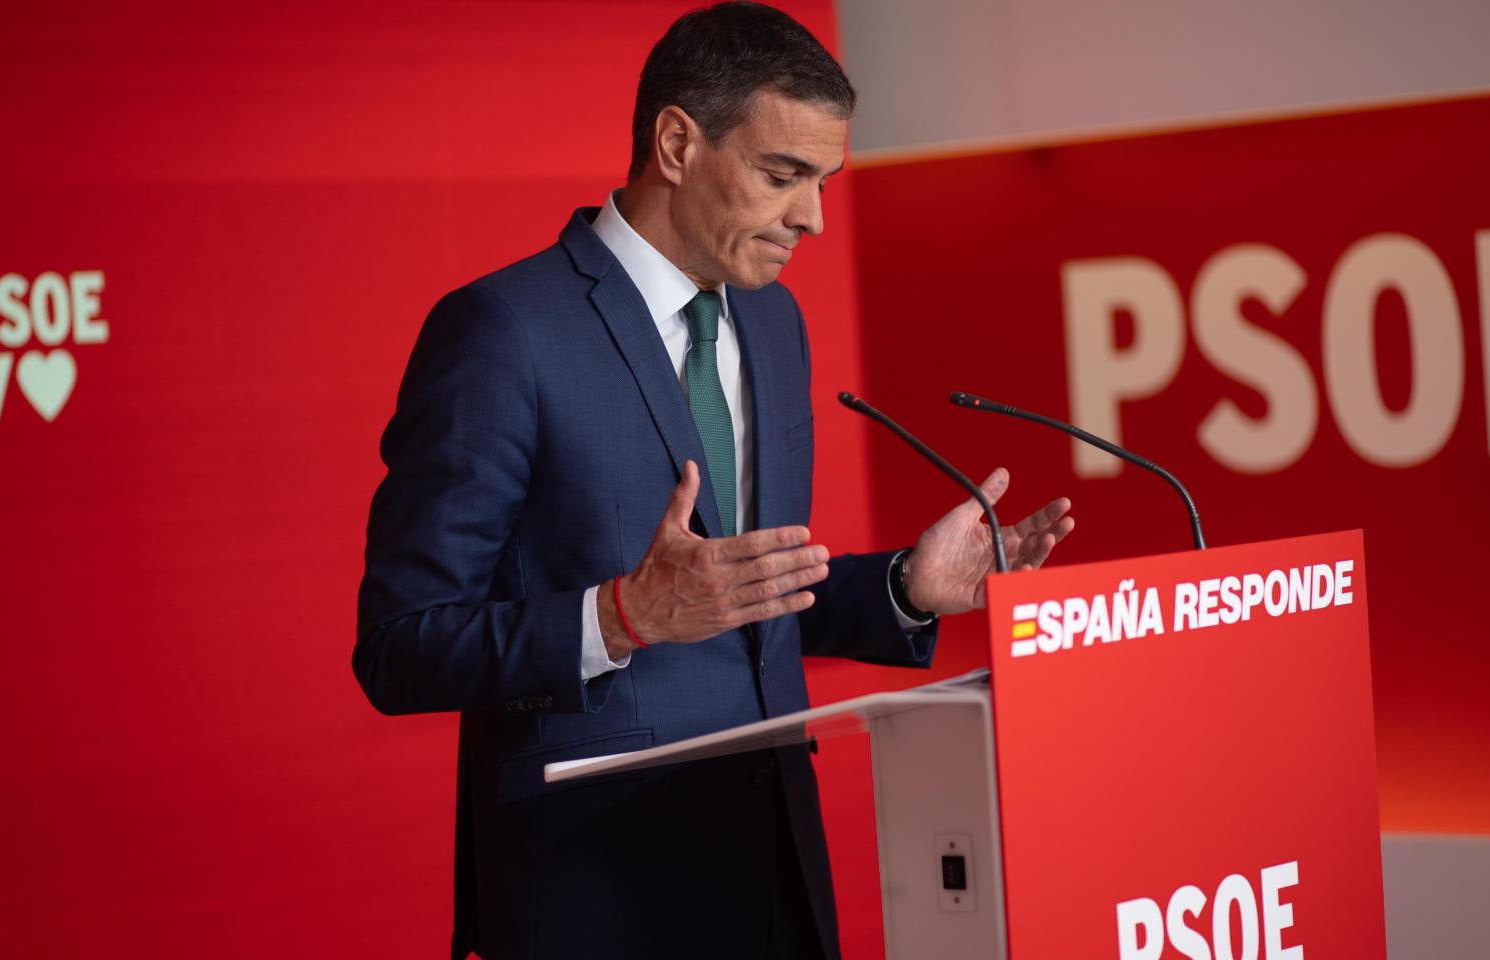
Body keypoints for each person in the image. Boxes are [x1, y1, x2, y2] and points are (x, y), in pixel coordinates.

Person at [354, 4, 1074, 958]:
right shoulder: (503, 333)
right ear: (678, 143)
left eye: (825, 182)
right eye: (783, 175)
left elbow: (743, 608)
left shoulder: (774, 329)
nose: (813, 217)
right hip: (595, 902)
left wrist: (903, 588)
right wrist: (619, 617)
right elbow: (400, 647)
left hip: (778, 885)